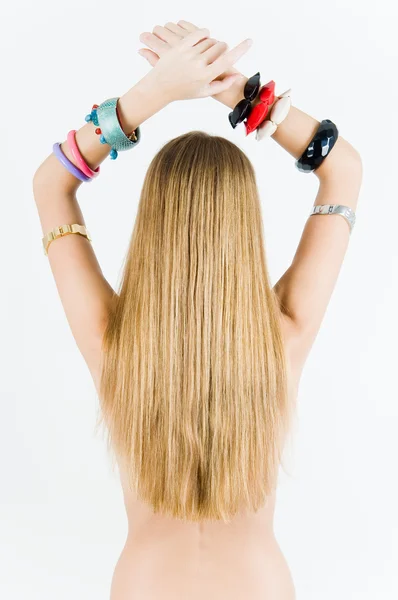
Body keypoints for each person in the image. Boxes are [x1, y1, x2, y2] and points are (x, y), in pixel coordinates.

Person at [33, 19, 362, 600]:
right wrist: (243, 97)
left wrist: (150, 96)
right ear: (245, 229)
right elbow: (345, 170)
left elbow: (51, 186)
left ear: (152, 226)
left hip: (144, 585)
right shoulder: (283, 335)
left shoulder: (113, 344)